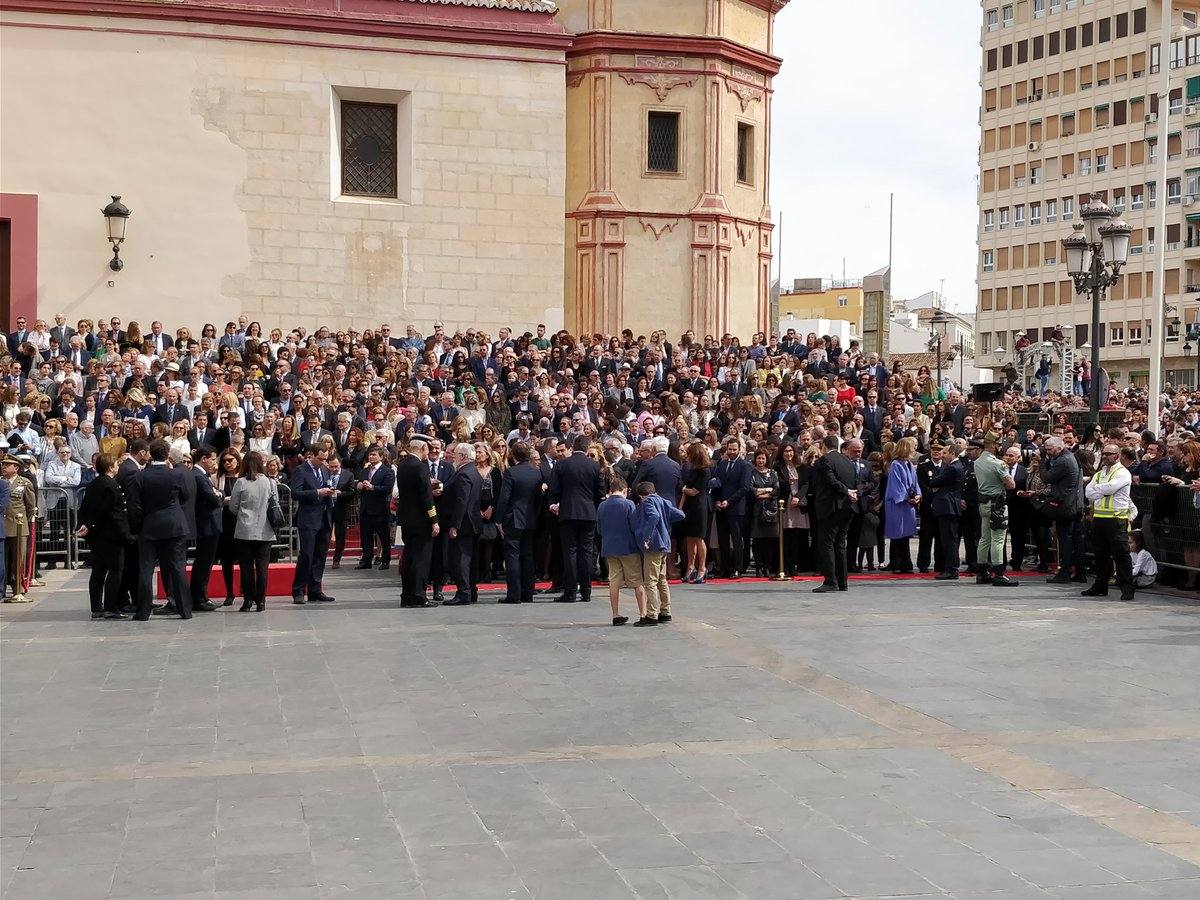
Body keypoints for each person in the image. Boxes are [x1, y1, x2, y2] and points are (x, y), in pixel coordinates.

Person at [126, 439, 195, 620]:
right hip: (174, 525)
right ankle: (185, 610)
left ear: (150, 454)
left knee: (146, 570)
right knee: (178, 568)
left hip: (149, 527)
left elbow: (134, 505)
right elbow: (186, 496)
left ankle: (143, 611)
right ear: (167, 454)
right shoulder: (177, 475)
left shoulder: (140, 476)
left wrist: (136, 527)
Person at [547, 433, 603, 603]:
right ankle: (586, 590)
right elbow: (600, 492)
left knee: (569, 552)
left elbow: (554, 489)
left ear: (574, 446)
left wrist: (556, 503)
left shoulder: (561, 464)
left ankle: (570, 591)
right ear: (587, 448)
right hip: (588, 513)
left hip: (568, 512)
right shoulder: (594, 466)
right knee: (586, 552)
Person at [75, 453, 132, 618]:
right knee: (115, 571)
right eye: (116, 464)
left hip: (96, 536)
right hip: (110, 536)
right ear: (110, 467)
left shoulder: (94, 484)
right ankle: (110, 606)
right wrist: (126, 535)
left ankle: (96, 607)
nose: (118, 467)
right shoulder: (111, 485)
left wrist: (87, 526)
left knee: (98, 571)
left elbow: (85, 508)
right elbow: (110, 513)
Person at [1081, 443, 1135, 602]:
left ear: (1117, 456)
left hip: (1116, 519)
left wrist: (1100, 490)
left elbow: (1110, 489)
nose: (1104, 456)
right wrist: (1101, 491)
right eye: (1103, 454)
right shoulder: (1099, 473)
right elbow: (1088, 492)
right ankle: (1100, 586)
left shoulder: (1123, 473)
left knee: (1121, 555)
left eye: (1108, 454)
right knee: (1100, 555)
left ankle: (1127, 588)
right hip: (1099, 519)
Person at [394, 435, 441, 608]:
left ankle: (406, 595)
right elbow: (426, 497)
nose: (428, 453)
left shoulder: (403, 465)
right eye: (427, 449)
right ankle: (419, 596)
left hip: (406, 519)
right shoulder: (420, 467)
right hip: (421, 521)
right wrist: (434, 520)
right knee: (421, 559)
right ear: (422, 448)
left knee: (408, 558)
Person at [494, 441, 543, 604]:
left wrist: (499, 519)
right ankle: (528, 592)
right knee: (528, 556)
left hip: (514, 518)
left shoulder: (510, 473)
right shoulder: (536, 473)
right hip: (530, 519)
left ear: (512, 455)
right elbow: (538, 499)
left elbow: (504, 498)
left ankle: (514, 594)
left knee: (512, 556)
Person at [229, 450, 278, 612]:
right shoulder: (270, 482)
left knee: (246, 568)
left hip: (244, 530)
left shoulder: (241, 482)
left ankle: (248, 600)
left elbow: (233, 507)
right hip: (265, 530)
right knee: (263, 568)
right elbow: (275, 503)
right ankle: (261, 601)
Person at [811, 436, 860, 593]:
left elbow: (830, 480)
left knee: (827, 543)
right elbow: (856, 480)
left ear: (824, 446)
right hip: (848, 507)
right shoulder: (847, 461)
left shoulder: (825, 460)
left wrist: (846, 491)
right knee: (840, 544)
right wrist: (851, 492)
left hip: (830, 508)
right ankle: (843, 582)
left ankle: (830, 580)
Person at [633, 480, 685, 626]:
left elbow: (654, 516)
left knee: (650, 581)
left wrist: (646, 537)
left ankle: (652, 614)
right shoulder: (664, 501)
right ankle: (665, 611)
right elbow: (680, 515)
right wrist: (666, 521)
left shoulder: (647, 502)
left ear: (641, 495)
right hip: (665, 544)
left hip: (653, 545)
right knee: (662, 579)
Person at [289, 445, 336, 604]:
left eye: (325, 459)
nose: (323, 462)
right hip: (308, 519)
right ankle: (298, 590)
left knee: (320, 556)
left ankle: (315, 589)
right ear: (311, 456)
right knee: (307, 555)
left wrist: (330, 493)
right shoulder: (301, 470)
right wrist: (317, 492)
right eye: (320, 459)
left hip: (324, 517)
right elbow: (295, 493)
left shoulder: (324, 470)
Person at [972, 433, 1019, 587]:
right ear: (993, 445)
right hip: (997, 504)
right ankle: (999, 573)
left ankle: (982, 572)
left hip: (983, 503)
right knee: (998, 539)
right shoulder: (997, 464)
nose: (1000, 448)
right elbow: (1011, 484)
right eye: (999, 445)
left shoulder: (978, 462)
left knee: (984, 538)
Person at [596, 477, 643, 625]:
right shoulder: (628, 504)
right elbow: (635, 526)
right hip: (628, 548)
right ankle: (643, 613)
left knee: (614, 582)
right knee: (636, 581)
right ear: (624, 490)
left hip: (609, 548)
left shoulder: (602, 506)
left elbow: (599, 529)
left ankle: (615, 614)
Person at [443, 442, 483, 605]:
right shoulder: (474, 471)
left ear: (463, 456)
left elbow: (462, 501)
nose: (454, 456)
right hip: (472, 523)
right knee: (470, 559)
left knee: (461, 559)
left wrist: (455, 525)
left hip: (464, 524)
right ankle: (471, 590)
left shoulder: (464, 474)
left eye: (456, 454)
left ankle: (464, 592)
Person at [1041, 436, 1082, 584]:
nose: (1047, 453)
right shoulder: (1068, 457)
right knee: (1070, 539)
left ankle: (1064, 572)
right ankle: (1074, 571)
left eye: (1049, 450)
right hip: (1069, 503)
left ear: (1059, 447)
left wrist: (1041, 462)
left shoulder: (1063, 460)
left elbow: (1046, 478)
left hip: (1065, 505)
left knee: (1065, 539)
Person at [712, 437, 751, 578]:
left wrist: (729, 501)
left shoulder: (745, 465)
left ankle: (737, 568)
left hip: (736, 508)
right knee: (723, 540)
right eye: (730, 449)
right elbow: (716, 485)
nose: (732, 452)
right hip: (721, 508)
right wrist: (716, 501)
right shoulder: (721, 465)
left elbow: (745, 488)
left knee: (736, 540)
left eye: (735, 449)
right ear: (726, 449)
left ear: (739, 449)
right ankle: (724, 568)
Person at [189, 447, 223, 612]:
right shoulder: (198, 476)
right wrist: (219, 495)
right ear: (204, 458)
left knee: (206, 561)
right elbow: (213, 498)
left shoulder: (201, 475)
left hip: (209, 525)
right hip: (206, 525)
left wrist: (218, 494)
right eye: (213, 459)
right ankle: (199, 597)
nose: (214, 463)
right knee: (204, 562)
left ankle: (201, 595)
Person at [2, 455, 36, 603]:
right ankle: (2, 590)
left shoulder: (24, 483)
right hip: (2, 526)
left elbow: (30, 506)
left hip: (18, 526)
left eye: (7, 465)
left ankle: (18, 589)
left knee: (18, 560)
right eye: (3, 464)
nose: (3, 467)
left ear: (16, 468)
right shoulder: (1, 482)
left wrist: (25, 523)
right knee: (3, 561)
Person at [355, 447, 396, 570]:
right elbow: (358, 486)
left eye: (374, 455)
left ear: (381, 457)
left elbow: (387, 489)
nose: (371, 457)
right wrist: (358, 486)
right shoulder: (364, 471)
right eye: (370, 455)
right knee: (366, 537)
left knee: (384, 537)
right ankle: (366, 560)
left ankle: (385, 560)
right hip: (365, 509)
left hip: (380, 510)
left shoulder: (387, 471)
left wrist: (373, 487)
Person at [883, 437, 919, 575]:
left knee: (906, 534)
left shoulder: (909, 464)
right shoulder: (896, 464)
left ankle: (906, 563)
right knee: (897, 533)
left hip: (908, 504)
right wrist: (907, 498)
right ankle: (897, 563)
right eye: (912, 447)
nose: (914, 449)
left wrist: (917, 495)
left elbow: (915, 483)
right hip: (898, 504)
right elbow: (896, 486)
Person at [929, 443, 965, 581]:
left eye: (945, 453)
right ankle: (951, 568)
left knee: (949, 539)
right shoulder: (955, 466)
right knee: (950, 539)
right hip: (949, 505)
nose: (942, 455)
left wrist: (933, 481)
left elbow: (934, 482)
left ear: (953, 454)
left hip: (948, 506)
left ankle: (951, 569)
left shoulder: (952, 468)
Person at [680, 441, 712, 583]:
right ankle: (690, 566)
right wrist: (680, 506)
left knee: (699, 538)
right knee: (689, 538)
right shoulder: (691, 469)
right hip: (689, 506)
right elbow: (687, 489)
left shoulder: (705, 471)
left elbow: (693, 491)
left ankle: (702, 568)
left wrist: (684, 490)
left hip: (699, 506)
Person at [749, 449, 781, 576]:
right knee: (757, 541)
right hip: (757, 509)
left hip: (770, 509)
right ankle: (758, 567)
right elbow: (752, 490)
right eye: (758, 458)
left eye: (763, 458)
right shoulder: (751, 472)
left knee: (769, 540)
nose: (761, 461)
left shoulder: (773, 473)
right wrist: (767, 489)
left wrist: (763, 491)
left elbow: (777, 490)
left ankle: (767, 567)